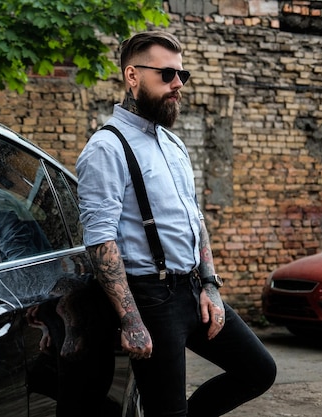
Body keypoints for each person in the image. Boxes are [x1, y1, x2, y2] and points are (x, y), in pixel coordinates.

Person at [76, 30, 276, 416]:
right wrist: (130, 318)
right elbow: (100, 241)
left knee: (258, 370)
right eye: (166, 75)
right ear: (132, 76)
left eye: (182, 76)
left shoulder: (173, 143)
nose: (177, 85)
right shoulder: (106, 147)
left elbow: (195, 219)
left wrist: (211, 286)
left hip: (192, 291)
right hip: (151, 299)